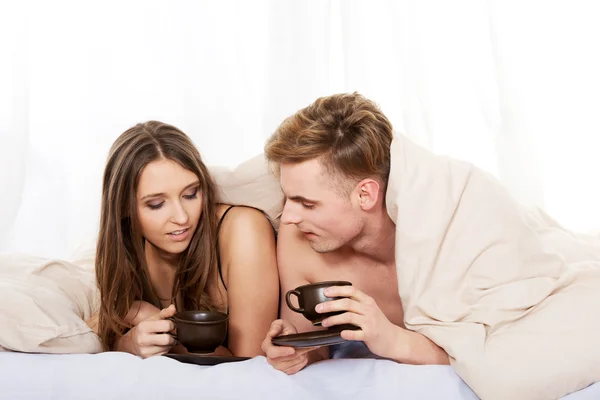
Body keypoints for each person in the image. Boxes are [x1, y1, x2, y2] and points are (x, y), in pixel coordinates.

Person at [261, 93, 449, 374]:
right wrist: (294, 354)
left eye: (307, 203)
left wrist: (391, 339)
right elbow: (314, 352)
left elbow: (491, 359)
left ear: (365, 195)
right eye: (287, 198)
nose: (287, 218)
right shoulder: (299, 240)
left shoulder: (443, 240)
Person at [87, 121, 279, 358]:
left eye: (191, 194)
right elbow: (94, 328)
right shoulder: (126, 249)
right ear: (124, 208)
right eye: (156, 204)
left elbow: (251, 363)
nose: (182, 217)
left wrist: (156, 323)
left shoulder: (243, 230)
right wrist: (128, 344)